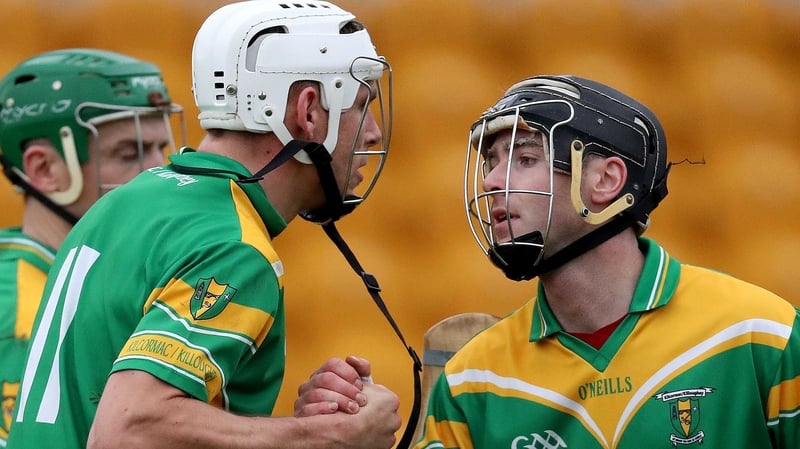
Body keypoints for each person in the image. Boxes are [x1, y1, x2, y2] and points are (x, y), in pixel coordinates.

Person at [6, 1, 401, 449]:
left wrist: (294, 428)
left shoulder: (126, 200)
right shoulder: (233, 246)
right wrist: (325, 437)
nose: (372, 132)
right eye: (361, 104)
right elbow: (128, 429)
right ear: (309, 112)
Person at [414, 75, 800, 449]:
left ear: (606, 180)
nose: (492, 181)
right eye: (491, 163)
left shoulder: (762, 335)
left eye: (526, 158)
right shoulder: (471, 381)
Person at [0, 47, 182, 446]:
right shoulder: (18, 313)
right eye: (130, 153)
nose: (159, 174)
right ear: (45, 169)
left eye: (160, 149)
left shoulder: (95, 279)